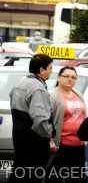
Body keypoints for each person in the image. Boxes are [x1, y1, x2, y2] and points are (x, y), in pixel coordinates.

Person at [9, 54, 55, 183]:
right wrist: (49, 134)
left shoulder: (21, 82)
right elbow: (40, 119)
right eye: (50, 68)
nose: (51, 71)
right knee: (32, 176)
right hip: (34, 142)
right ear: (41, 70)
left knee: (19, 174)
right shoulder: (38, 88)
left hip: (20, 139)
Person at [46, 66, 86, 183]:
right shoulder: (52, 95)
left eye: (73, 77)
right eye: (66, 76)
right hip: (61, 145)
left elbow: (84, 116)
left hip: (79, 145)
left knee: (76, 179)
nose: (70, 79)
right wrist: (50, 140)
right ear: (59, 77)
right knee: (55, 178)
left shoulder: (78, 94)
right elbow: (46, 119)